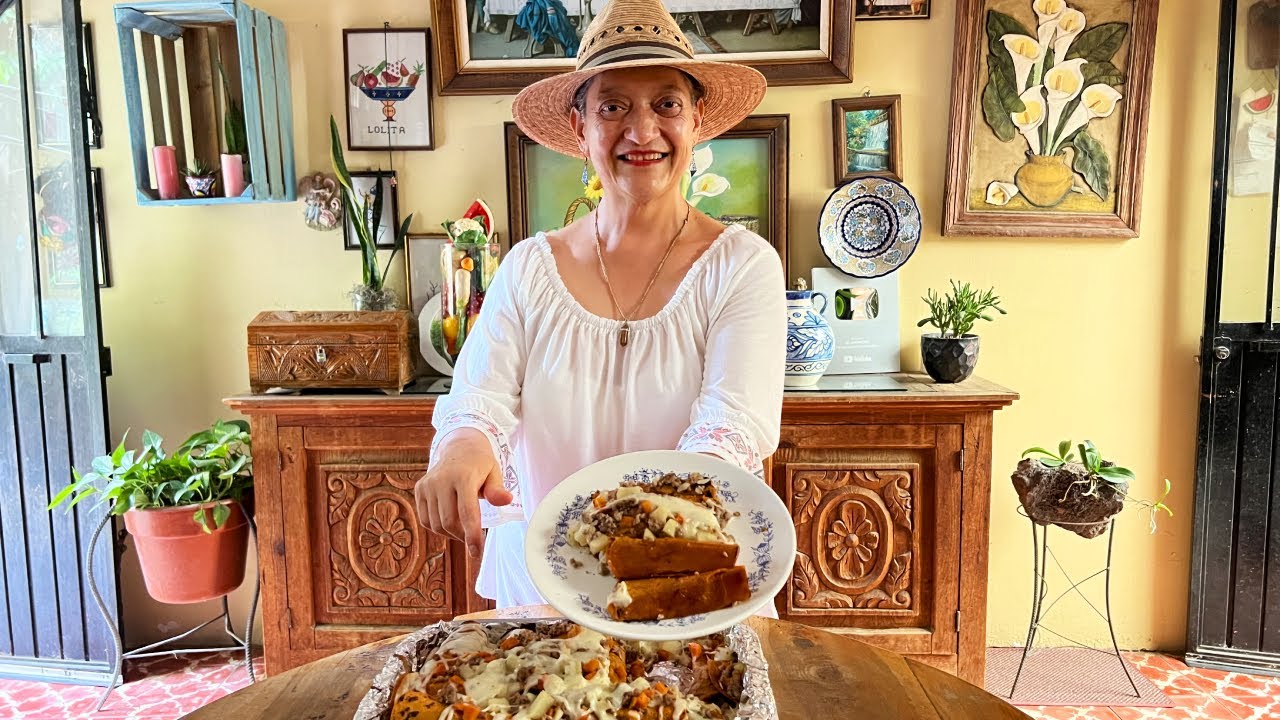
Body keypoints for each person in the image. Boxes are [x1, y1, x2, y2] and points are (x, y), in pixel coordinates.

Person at [414, 0, 786, 611]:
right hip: (548, 591)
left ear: (696, 120)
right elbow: (478, 398)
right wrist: (463, 447)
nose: (641, 131)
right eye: (613, 107)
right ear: (580, 127)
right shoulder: (529, 269)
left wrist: (648, 531)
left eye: (666, 104)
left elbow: (730, 429)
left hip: (686, 585)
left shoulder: (742, 266)